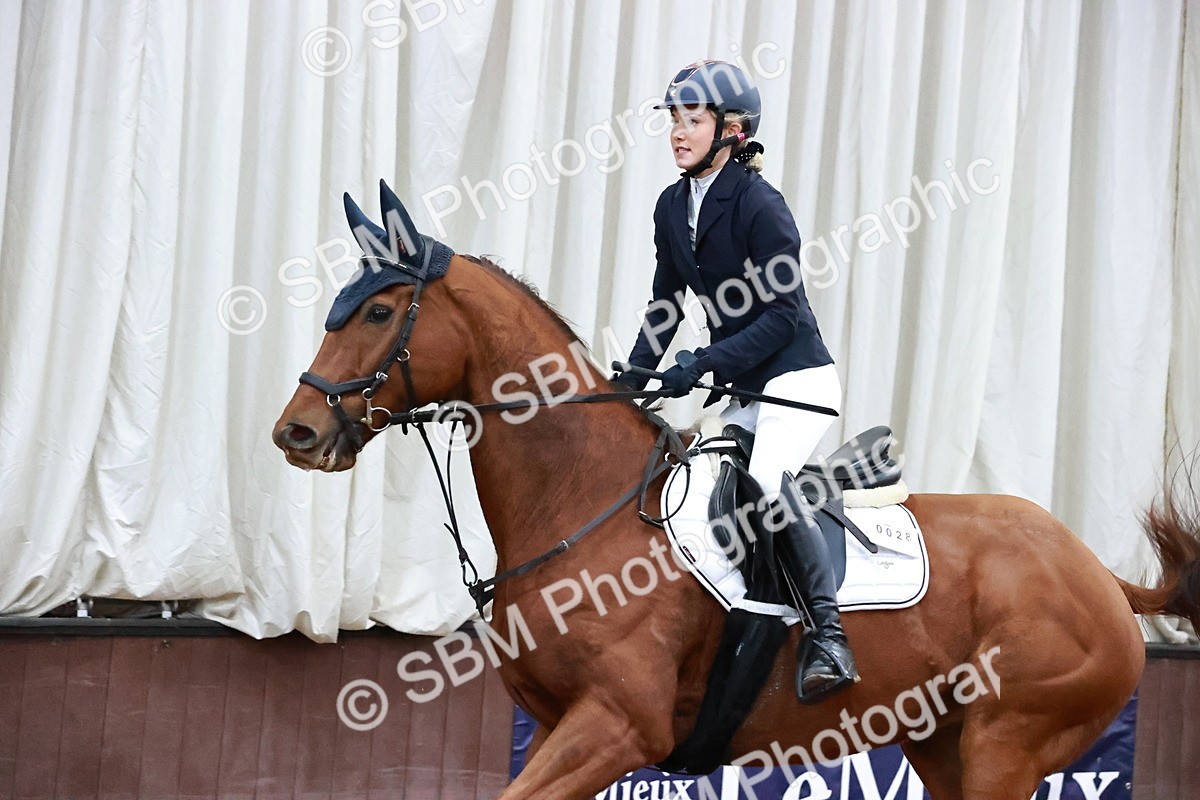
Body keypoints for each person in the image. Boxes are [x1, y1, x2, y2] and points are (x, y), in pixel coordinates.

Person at [614, 59, 858, 704]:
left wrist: (702, 363)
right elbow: (666, 302)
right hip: (746, 392)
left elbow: (781, 317)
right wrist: (636, 377)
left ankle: (828, 637)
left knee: (769, 485)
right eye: (673, 120)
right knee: (697, 492)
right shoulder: (673, 205)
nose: (677, 133)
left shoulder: (759, 204)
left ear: (733, 130)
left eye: (691, 120)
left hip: (797, 380)